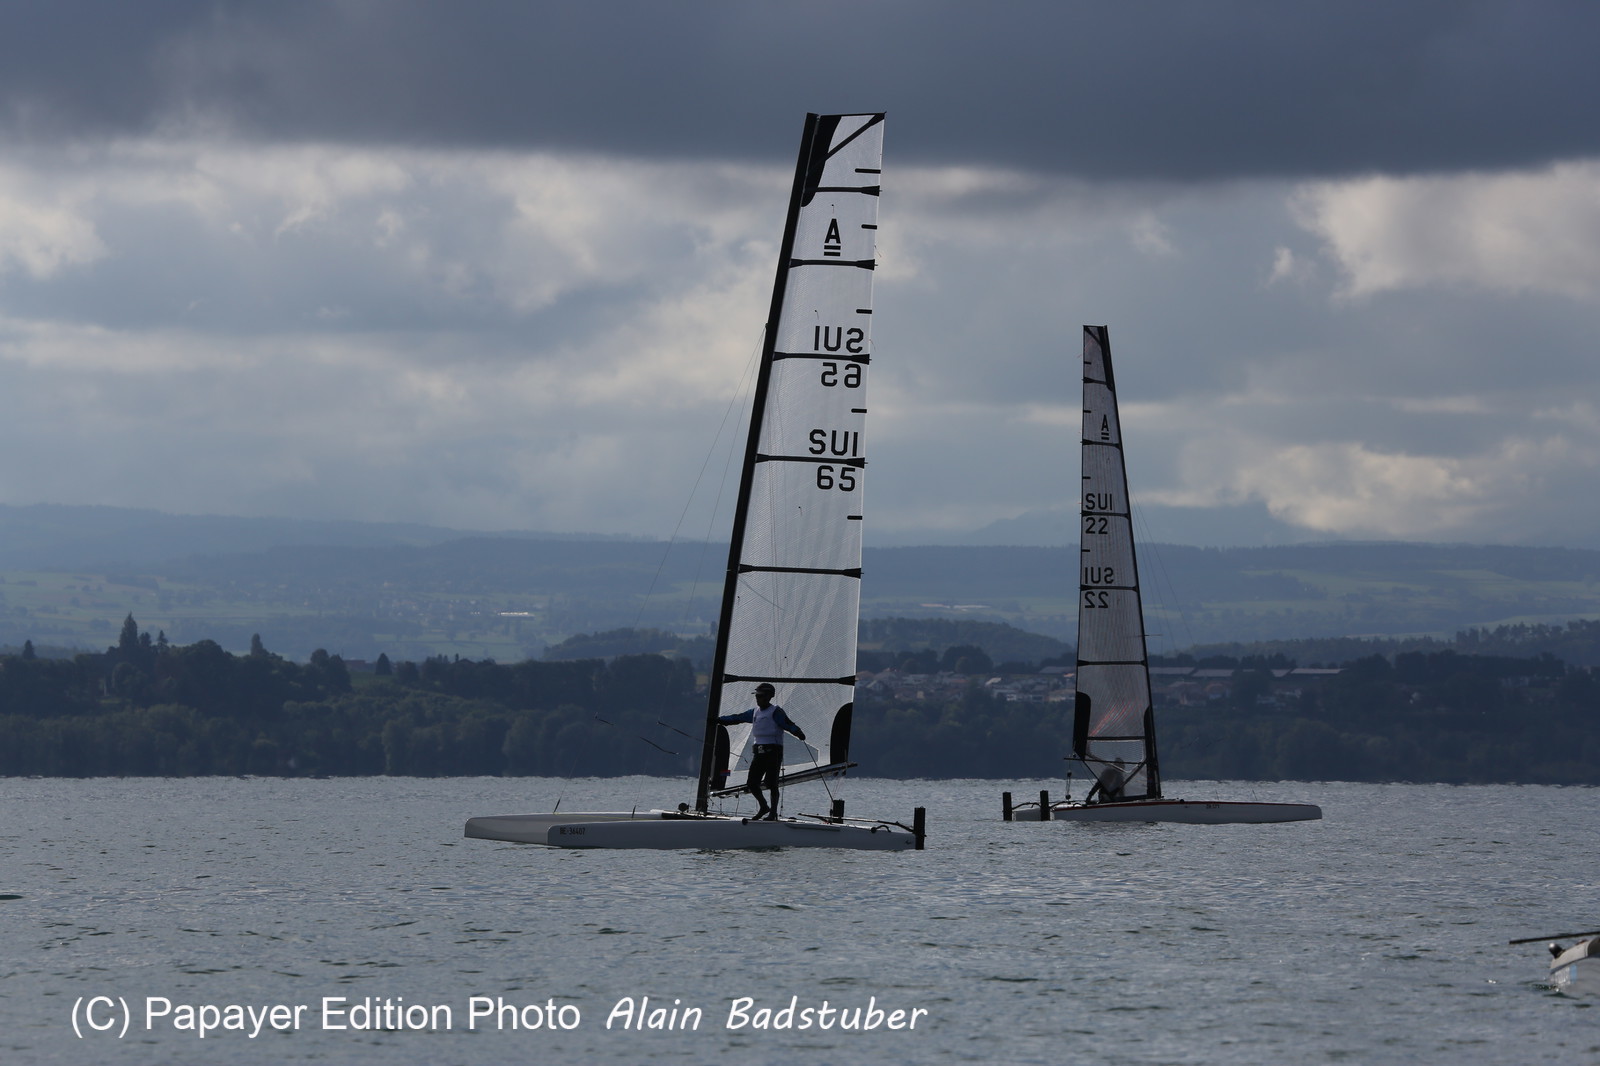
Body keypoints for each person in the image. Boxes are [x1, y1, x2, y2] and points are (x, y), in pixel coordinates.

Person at [717, 683, 806, 821]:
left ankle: (773, 813)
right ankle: (764, 806)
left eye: (760, 696)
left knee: (771, 783)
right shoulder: (754, 712)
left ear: (769, 697)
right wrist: (719, 720)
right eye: (757, 696)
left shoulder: (776, 712)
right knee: (752, 783)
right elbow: (737, 718)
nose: (758, 698)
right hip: (759, 753)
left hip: (773, 752)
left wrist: (798, 732)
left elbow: (788, 724)